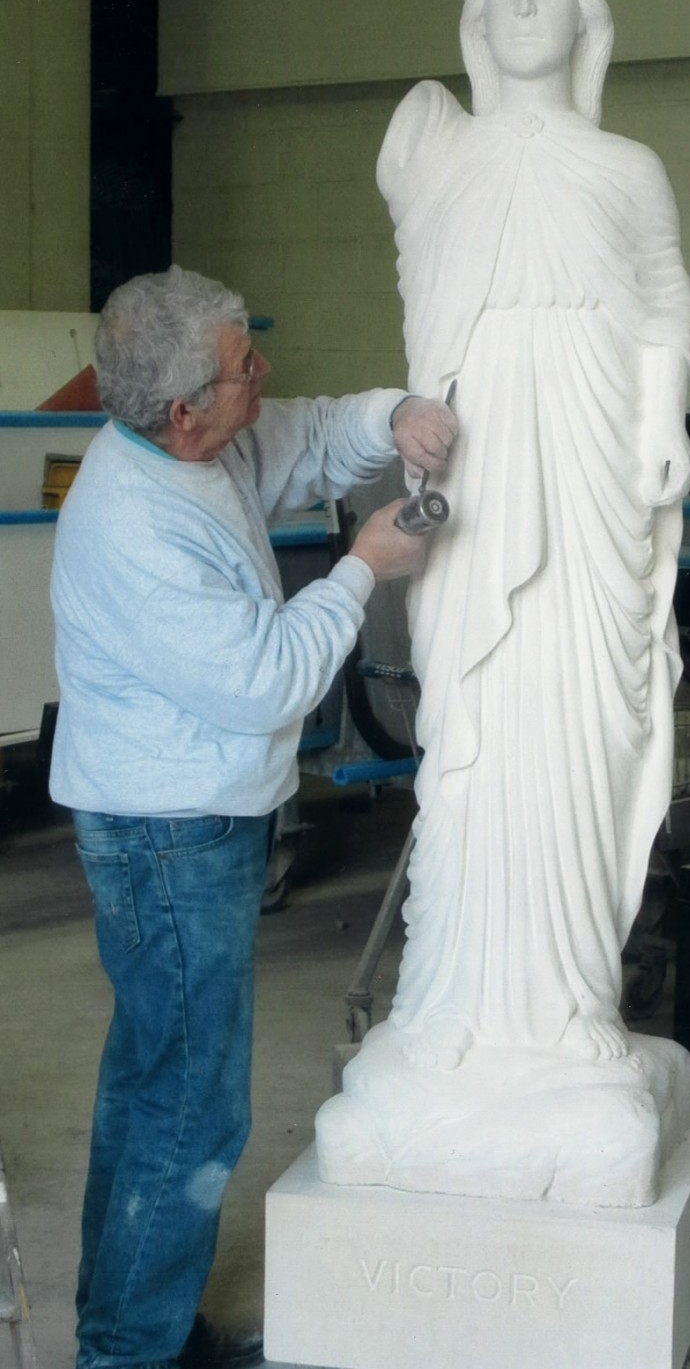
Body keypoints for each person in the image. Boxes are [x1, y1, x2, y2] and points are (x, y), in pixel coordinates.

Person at [48, 264, 456, 1369]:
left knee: (154, 1083)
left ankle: (132, 1322)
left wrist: (398, 415)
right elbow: (269, 678)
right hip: (167, 833)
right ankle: (130, 1350)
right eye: (243, 368)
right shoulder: (133, 523)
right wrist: (364, 567)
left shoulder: (200, 447)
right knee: (188, 1102)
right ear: (182, 409)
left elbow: (314, 434)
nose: (262, 376)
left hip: (184, 818)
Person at [375, 0, 690, 1072]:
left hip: (588, 470)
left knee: (575, 733)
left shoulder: (626, 166)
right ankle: (452, 1008)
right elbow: (428, 170)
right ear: (474, 7)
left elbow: (661, 296)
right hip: (477, 480)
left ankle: (566, 1009)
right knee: (475, 736)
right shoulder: (434, 147)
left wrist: (662, 407)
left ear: (583, 11)